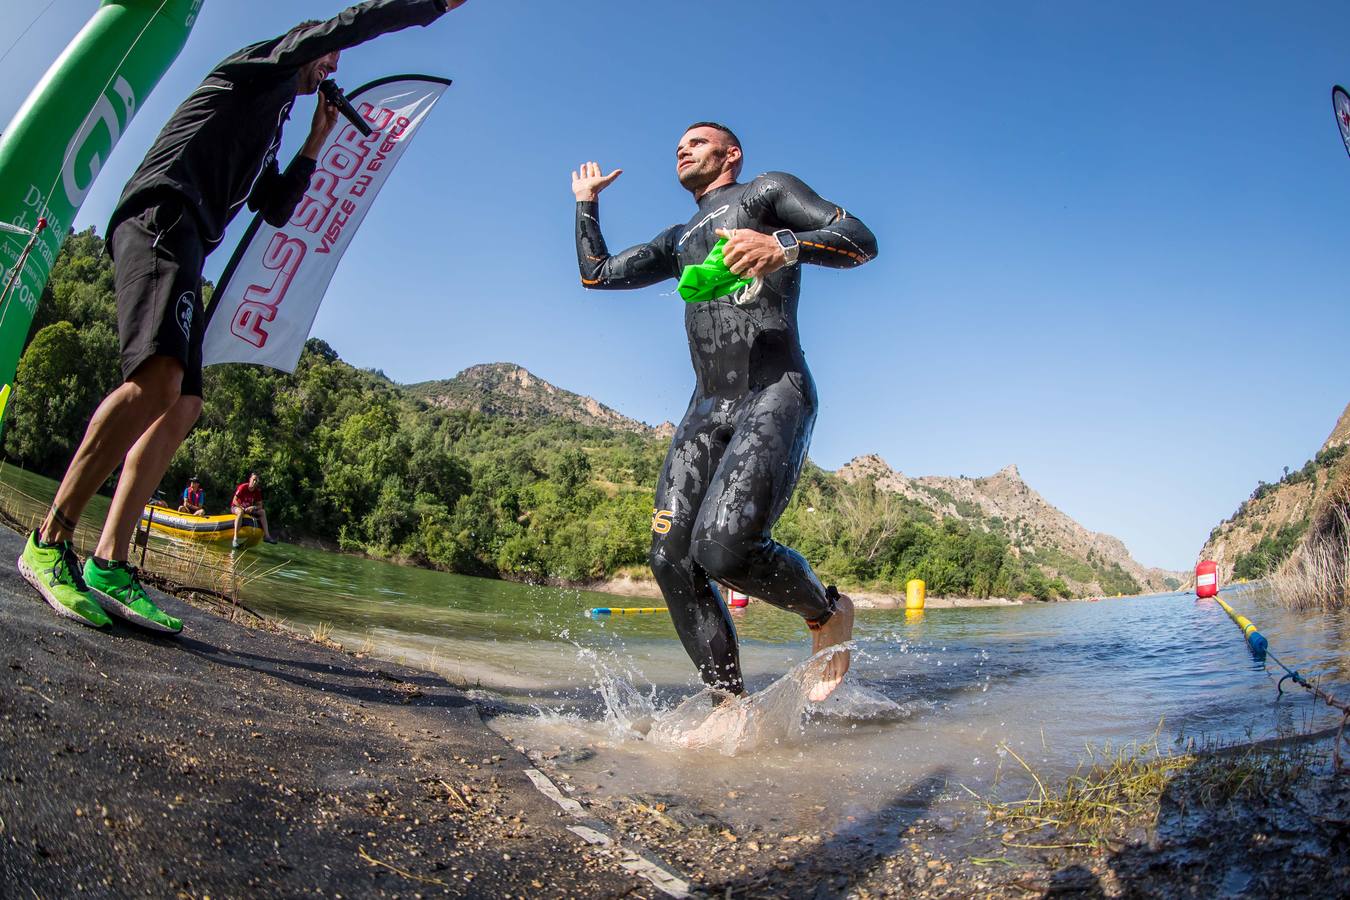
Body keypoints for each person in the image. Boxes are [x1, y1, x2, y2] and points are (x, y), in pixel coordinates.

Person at [17, 0, 468, 635]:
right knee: (157, 380)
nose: (332, 67)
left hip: (191, 243)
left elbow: (276, 208)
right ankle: (49, 538)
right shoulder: (262, 67)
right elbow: (346, 25)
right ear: (306, 43)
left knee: (183, 404)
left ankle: (109, 563)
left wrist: (315, 141)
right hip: (160, 217)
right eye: (328, 56)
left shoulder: (273, 124)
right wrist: (428, 7)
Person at [572, 123, 878, 702]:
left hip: (774, 392)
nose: (682, 148)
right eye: (679, 145)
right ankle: (728, 705)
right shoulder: (677, 239)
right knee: (670, 559)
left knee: (723, 549)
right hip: (705, 408)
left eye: (697, 142)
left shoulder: (767, 193)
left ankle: (826, 611)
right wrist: (586, 203)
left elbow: (860, 239)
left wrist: (783, 247)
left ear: (730, 153)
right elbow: (597, 274)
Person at [231, 472, 276, 547]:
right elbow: (234, 500)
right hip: (237, 507)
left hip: (248, 509)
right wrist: (242, 508)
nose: (255, 482)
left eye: (256, 481)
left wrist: (253, 507)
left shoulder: (257, 491)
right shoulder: (243, 487)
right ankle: (235, 538)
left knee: (262, 512)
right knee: (240, 512)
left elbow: (260, 505)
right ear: (250, 479)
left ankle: (267, 536)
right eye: (253, 480)